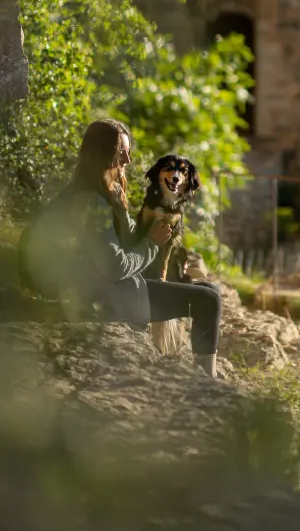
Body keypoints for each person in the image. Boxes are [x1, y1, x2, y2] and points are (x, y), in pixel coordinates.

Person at [21, 118, 221, 377]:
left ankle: (204, 378)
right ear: (103, 155)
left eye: (128, 152)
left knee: (209, 289)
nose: (127, 160)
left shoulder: (110, 193)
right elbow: (115, 266)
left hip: (121, 289)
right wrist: (152, 244)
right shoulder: (91, 202)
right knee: (209, 300)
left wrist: (168, 257)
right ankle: (207, 383)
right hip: (106, 298)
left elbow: (129, 243)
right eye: (121, 153)